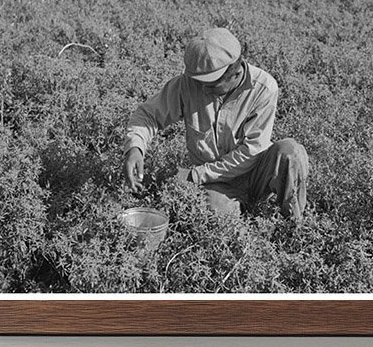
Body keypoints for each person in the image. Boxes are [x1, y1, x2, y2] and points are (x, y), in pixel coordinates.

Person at [122, 27, 309, 221]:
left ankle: (294, 227)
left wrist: (194, 175)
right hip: (216, 183)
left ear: (235, 72)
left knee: (291, 152)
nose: (202, 88)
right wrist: (135, 148)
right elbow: (147, 114)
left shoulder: (264, 88)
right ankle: (240, 223)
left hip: (256, 173)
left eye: (211, 84)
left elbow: (252, 151)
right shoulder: (188, 84)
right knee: (214, 209)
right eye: (199, 80)